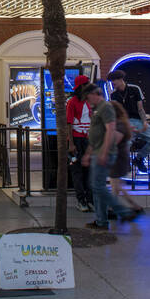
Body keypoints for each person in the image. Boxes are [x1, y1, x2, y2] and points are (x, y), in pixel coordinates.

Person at [81, 83, 139, 230]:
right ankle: (101, 221)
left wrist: (104, 152)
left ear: (95, 94)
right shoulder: (97, 110)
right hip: (97, 152)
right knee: (96, 187)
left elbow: (110, 130)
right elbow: (95, 134)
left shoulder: (105, 108)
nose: (88, 101)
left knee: (98, 186)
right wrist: (88, 153)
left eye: (88, 98)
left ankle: (124, 211)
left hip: (103, 153)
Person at [108, 69, 150, 173]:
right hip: (125, 123)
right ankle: (126, 164)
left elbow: (140, 108)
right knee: (125, 143)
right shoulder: (113, 95)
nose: (112, 83)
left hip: (138, 120)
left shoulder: (135, 89)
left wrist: (145, 122)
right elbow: (116, 114)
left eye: (113, 80)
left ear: (120, 79)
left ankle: (139, 159)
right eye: (111, 81)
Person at [109, 101, 144, 216]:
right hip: (119, 158)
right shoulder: (121, 123)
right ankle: (133, 207)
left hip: (118, 159)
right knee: (117, 185)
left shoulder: (119, 125)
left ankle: (118, 209)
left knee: (116, 185)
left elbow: (114, 142)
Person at [66, 81, 94, 213]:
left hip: (86, 139)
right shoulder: (72, 102)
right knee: (77, 170)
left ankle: (89, 200)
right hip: (76, 140)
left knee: (88, 170)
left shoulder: (88, 102)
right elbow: (69, 123)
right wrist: (71, 143)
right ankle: (81, 200)